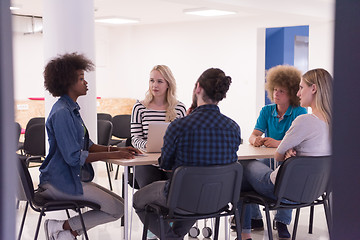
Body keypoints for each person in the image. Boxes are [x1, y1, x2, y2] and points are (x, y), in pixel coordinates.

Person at [38, 53, 141, 240]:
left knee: (120, 204)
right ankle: (63, 227)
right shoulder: (62, 113)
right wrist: (111, 155)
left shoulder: (72, 110)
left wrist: (117, 150)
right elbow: (74, 157)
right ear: (67, 83)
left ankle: (66, 231)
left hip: (70, 179)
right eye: (81, 79)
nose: (86, 83)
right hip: (58, 182)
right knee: (117, 208)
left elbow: (89, 145)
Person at [133, 68, 242, 240]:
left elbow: (165, 165)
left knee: (138, 199)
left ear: (198, 88)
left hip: (183, 196)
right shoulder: (234, 127)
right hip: (218, 198)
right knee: (195, 197)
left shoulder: (179, 126)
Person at [239, 68, 332, 240]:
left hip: (283, 190)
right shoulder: (333, 123)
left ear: (313, 89)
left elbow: (278, 156)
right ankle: (251, 226)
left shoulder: (304, 120)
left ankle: (245, 232)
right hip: (312, 191)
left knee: (241, 167)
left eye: (301, 88)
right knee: (249, 176)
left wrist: (285, 150)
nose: (298, 93)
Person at [243, 65, 307, 237]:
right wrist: (255, 139)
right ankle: (255, 218)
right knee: (249, 170)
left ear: (292, 93)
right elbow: (253, 134)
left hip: (286, 159)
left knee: (286, 173)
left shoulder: (299, 112)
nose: (276, 94)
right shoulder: (267, 110)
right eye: (275, 90)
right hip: (269, 159)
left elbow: (296, 142)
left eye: (281, 91)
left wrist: (277, 143)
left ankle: (281, 221)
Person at [131, 65, 186, 188]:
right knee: (149, 190)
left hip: (173, 160)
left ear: (168, 84)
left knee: (178, 190)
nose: (154, 85)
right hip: (146, 161)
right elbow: (135, 138)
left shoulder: (180, 108)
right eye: (152, 80)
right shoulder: (139, 107)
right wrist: (147, 145)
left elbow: (184, 138)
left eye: (159, 81)